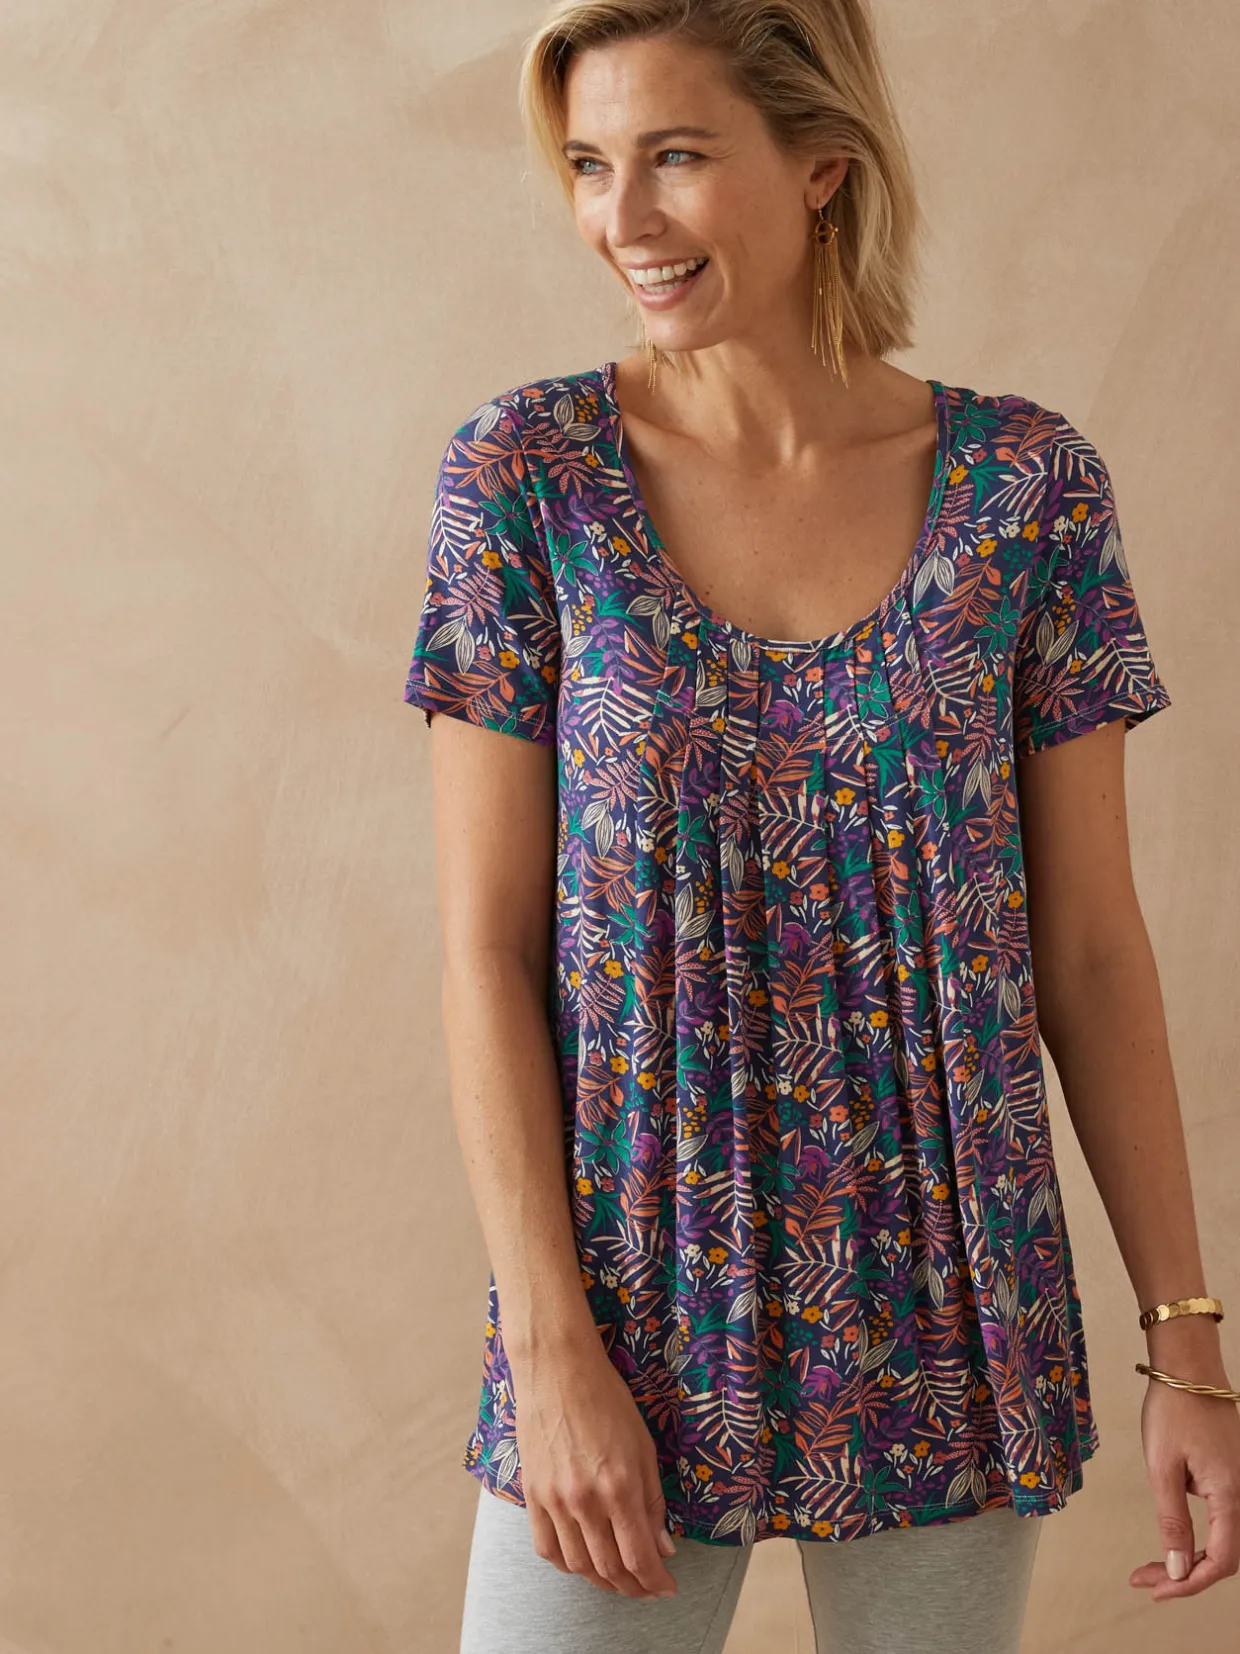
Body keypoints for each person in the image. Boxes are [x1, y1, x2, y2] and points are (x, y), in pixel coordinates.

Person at [401, 2, 1240, 1649]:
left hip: (951, 1305)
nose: (621, 218)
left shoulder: (1028, 492)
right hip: (630, 1299)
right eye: (588, 164)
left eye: (675, 156)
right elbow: (485, 951)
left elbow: (1089, 952)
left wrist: (1190, 1345)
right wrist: (550, 1346)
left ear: (823, 167)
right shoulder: (527, 477)